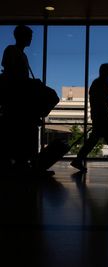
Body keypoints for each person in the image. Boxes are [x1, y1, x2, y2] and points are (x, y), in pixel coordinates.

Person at [70, 63, 108, 173]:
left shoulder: (98, 83)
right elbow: (101, 103)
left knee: (95, 140)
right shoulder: (101, 84)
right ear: (106, 71)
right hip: (102, 117)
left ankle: (78, 159)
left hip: (99, 117)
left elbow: (99, 102)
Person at [1, 25, 39, 173]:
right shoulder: (13, 51)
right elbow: (11, 73)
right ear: (22, 36)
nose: (30, 39)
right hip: (16, 98)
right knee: (19, 129)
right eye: (29, 36)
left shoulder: (19, 53)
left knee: (20, 130)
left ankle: (21, 161)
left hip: (18, 96)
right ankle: (21, 161)